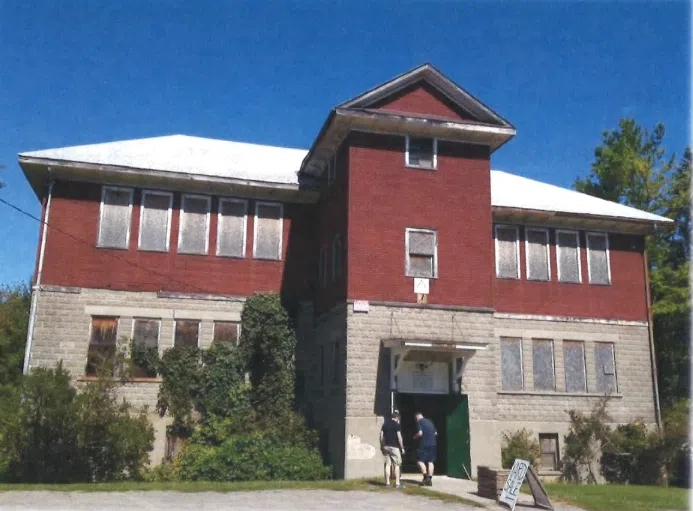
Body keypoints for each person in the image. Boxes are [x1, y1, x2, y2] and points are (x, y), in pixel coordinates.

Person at [380, 410, 405, 488]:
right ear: (397, 417)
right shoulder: (397, 425)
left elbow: (381, 436)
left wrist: (382, 446)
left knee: (387, 464)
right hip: (394, 447)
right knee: (397, 464)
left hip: (386, 446)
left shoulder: (385, 424)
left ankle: (387, 483)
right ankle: (397, 483)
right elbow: (399, 437)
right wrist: (402, 447)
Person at [413, 412, 437, 486]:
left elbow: (420, 433)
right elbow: (435, 433)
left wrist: (414, 437)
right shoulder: (430, 422)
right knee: (430, 461)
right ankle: (429, 479)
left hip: (423, 444)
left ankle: (425, 476)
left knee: (420, 461)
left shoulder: (419, 422)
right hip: (433, 444)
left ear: (417, 417)